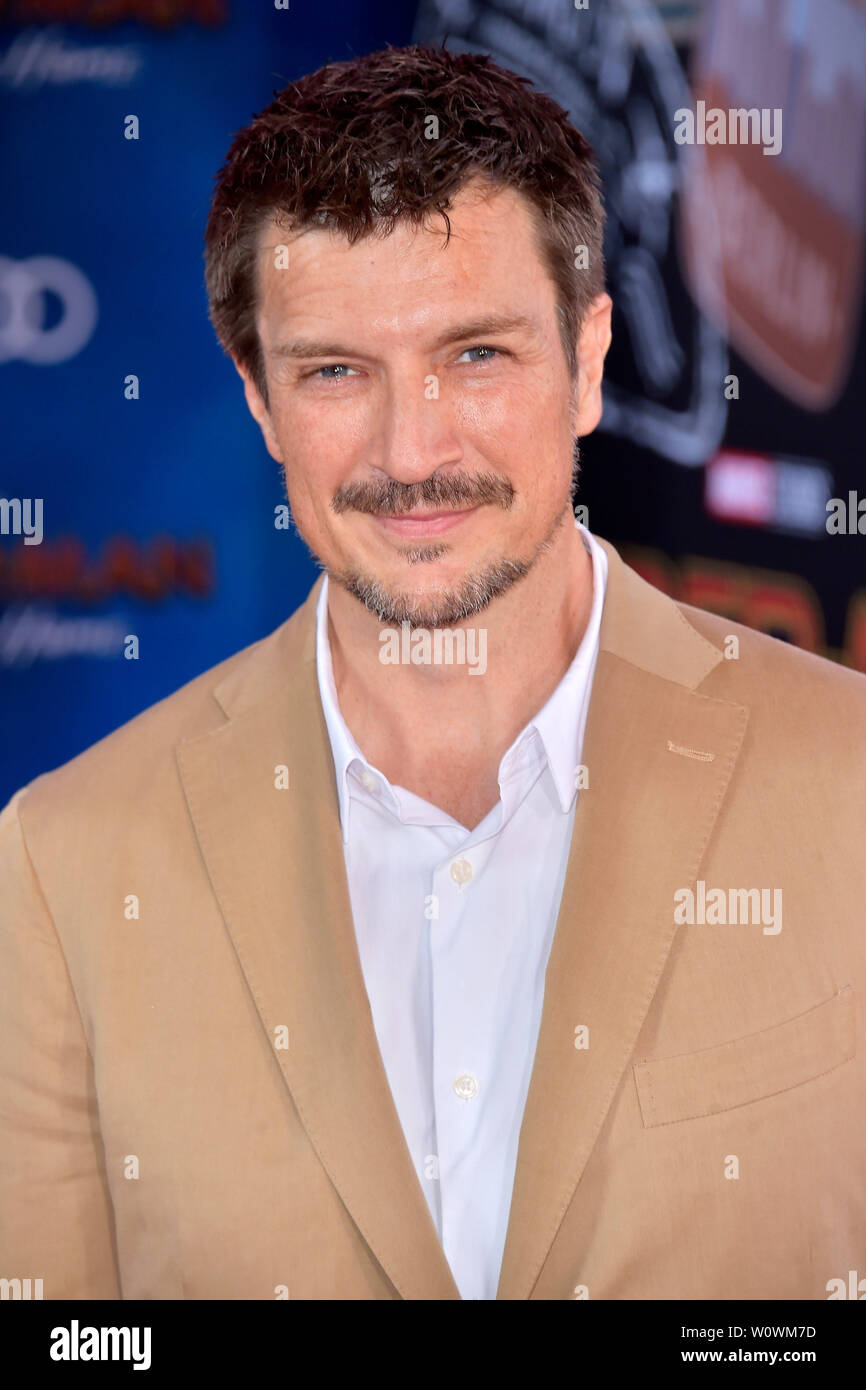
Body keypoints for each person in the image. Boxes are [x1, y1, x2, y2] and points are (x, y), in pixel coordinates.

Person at [0, 45, 863, 1302]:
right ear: (257, 401)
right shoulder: (65, 866)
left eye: (475, 355)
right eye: (337, 371)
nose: (413, 452)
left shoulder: (847, 792)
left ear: (588, 358)